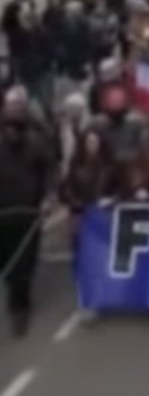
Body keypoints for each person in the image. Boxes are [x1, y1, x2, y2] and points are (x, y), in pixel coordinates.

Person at [0, 104, 53, 336]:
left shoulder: (36, 146)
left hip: (28, 212)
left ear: (23, 129)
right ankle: (14, 291)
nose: (11, 132)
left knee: (24, 262)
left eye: (15, 128)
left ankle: (19, 308)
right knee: (6, 260)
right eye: (7, 127)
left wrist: (47, 198)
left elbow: (49, 172)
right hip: (3, 213)